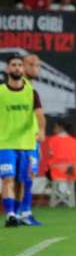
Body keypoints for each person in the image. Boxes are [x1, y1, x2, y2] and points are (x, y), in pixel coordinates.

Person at [0, 55, 44, 227]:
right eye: (14, 65)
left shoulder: (31, 92)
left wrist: (40, 132)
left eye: (19, 65)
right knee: (8, 178)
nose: (17, 68)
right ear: (7, 69)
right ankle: (11, 214)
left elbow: (40, 116)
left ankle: (20, 213)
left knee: (23, 181)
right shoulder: (1, 91)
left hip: (27, 143)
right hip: (5, 144)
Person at [17, 53, 46, 226]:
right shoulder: (21, 87)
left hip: (31, 140)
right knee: (23, 177)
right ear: (23, 66)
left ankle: (23, 212)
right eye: (32, 64)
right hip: (21, 141)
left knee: (28, 176)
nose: (36, 68)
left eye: (38, 65)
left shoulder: (30, 87)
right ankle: (20, 212)